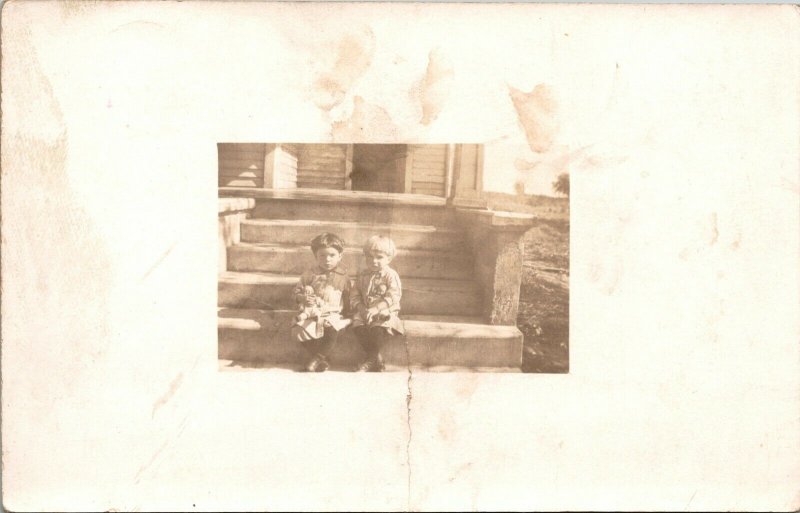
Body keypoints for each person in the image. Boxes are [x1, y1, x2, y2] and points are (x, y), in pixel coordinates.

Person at [290, 233, 351, 372]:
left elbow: (348, 296)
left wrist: (348, 314)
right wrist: (303, 298)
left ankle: (317, 358)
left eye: (332, 255)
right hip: (312, 312)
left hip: (333, 313)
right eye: (322, 256)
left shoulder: (343, 277)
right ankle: (323, 360)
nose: (327, 260)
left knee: (331, 330)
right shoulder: (309, 274)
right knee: (299, 329)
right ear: (315, 256)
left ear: (340, 256)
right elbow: (296, 292)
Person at [350, 235, 405, 372]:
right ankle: (376, 359)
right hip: (365, 310)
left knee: (377, 329)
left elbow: (394, 295)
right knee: (358, 327)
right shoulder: (362, 275)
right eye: (370, 257)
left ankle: (369, 360)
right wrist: (361, 308)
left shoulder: (390, 275)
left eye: (379, 257)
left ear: (389, 259)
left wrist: (376, 309)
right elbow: (355, 294)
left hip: (384, 310)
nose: (374, 261)